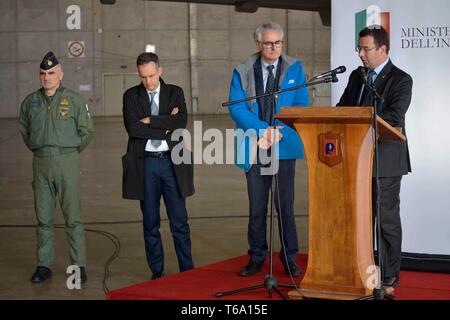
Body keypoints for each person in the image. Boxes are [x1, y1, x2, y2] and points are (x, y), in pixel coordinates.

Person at [228, 21, 310, 277]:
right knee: (257, 207)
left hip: (283, 146)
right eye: (268, 43)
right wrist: (262, 130)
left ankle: (289, 257)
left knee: (285, 205)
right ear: (258, 44)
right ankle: (257, 256)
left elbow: (301, 105)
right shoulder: (242, 71)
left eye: (278, 42)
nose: (274, 47)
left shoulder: (295, 68)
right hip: (255, 146)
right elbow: (236, 106)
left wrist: (276, 132)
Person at [337, 26, 412, 289]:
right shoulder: (358, 77)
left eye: (366, 49)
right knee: (359, 220)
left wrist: (363, 118)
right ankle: (361, 267)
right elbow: (342, 109)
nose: (361, 54)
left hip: (386, 161)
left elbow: (394, 117)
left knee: (386, 219)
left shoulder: (401, 79)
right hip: (357, 160)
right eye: (359, 48)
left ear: (383, 49)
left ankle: (389, 272)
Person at [19, 51, 94, 283]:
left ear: (60, 74)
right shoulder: (30, 102)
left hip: (67, 161)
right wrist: (39, 148)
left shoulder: (73, 100)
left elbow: (87, 131)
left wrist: (69, 153)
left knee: (73, 217)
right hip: (40, 162)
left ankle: (78, 265)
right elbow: (24, 130)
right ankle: (43, 266)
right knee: (43, 218)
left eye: (51, 73)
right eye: (43, 73)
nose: (47, 77)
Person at [122, 52, 194, 280]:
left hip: (171, 164)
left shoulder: (175, 92)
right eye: (143, 77)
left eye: (152, 75)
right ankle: (157, 271)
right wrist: (165, 124)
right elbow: (133, 129)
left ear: (160, 71)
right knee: (150, 222)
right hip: (146, 166)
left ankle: (187, 270)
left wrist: (151, 119)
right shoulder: (131, 96)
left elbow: (181, 122)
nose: (148, 82)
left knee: (179, 221)